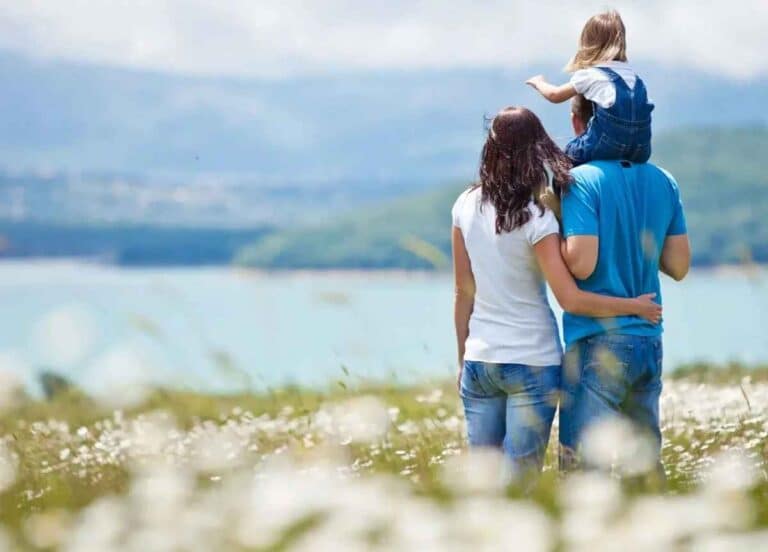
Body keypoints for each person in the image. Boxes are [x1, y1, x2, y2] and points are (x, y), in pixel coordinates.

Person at [452, 106, 662, 477]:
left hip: (479, 360)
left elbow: (462, 293)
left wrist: (462, 359)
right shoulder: (538, 217)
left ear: (491, 147)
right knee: (522, 481)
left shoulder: (465, 205)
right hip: (532, 360)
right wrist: (633, 306)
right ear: (536, 150)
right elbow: (571, 299)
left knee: (481, 484)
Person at [557, 94, 691, 477]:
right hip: (649, 338)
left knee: (583, 469)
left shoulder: (581, 180)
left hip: (597, 340)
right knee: (644, 467)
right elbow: (679, 266)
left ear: (579, 124)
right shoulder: (664, 180)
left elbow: (582, 263)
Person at [525, 10, 653, 166]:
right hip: (641, 149)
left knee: (568, 156)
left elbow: (554, 95)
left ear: (588, 44)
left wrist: (539, 82)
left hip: (607, 145)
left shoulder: (591, 74)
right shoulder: (635, 77)